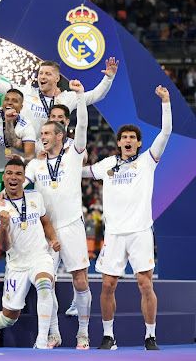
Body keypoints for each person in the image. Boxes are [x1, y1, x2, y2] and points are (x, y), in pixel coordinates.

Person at [85, 86, 172, 351]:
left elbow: (166, 132)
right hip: (113, 233)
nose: (128, 141)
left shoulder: (148, 160)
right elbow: (82, 173)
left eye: (132, 137)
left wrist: (166, 102)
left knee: (145, 284)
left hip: (140, 231)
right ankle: (108, 336)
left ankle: (150, 336)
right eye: (124, 137)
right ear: (118, 141)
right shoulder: (107, 164)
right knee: (108, 285)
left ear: (138, 143)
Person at [25, 79, 91, 349]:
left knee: (80, 278)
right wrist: (1, 196)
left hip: (72, 224)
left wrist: (81, 97)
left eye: (47, 133)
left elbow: (84, 126)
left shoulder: (74, 155)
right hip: (46, 229)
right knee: (46, 281)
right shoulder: (36, 164)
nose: (43, 137)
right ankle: (53, 333)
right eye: (42, 134)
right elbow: (17, 183)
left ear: (60, 135)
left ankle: (83, 333)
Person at [0, 40, 118, 133]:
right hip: (25, 153)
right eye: (41, 73)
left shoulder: (68, 98)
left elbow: (97, 95)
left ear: (57, 78)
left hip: (52, 157)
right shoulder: (26, 92)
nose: (42, 77)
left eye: (47, 74)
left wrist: (108, 78)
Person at [0, 157, 60, 349]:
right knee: (8, 318)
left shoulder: (35, 197)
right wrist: (4, 227)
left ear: (24, 178)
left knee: (45, 285)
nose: (14, 177)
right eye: (10, 173)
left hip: (40, 257)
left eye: (18, 174)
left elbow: (45, 222)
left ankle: (41, 341)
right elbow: (4, 247)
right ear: (4, 177)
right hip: (16, 265)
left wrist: (53, 239)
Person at [0, 88, 36, 192]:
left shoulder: (26, 126)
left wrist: (22, 160)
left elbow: (30, 156)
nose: (9, 102)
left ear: (21, 107)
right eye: (7, 99)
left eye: (15, 100)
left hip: (14, 176)